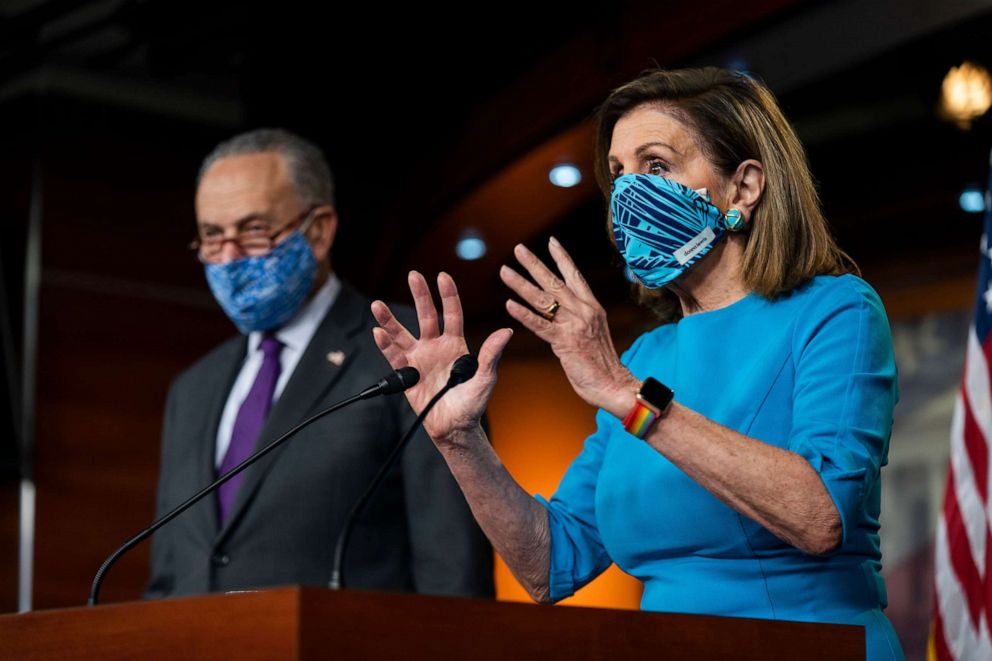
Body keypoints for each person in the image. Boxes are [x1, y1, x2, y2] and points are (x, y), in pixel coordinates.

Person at [371, 68, 903, 659]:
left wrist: (631, 398)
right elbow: (551, 564)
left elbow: (819, 517)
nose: (627, 194)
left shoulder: (836, 310)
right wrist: (460, 442)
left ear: (743, 188)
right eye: (618, 173)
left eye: (655, 166)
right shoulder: (648, 355)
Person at [146, 128, 493, 599]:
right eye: (212, 236)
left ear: (320, 230)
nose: (229, 258)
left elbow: (451, 562)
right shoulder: (193, 388)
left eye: (253, 230)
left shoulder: (408, 347)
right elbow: (171, 574)